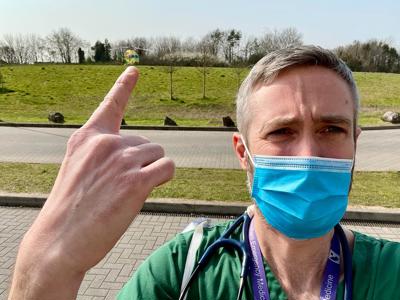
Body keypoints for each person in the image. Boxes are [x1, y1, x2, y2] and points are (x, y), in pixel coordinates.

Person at [8, 46, 400, 300]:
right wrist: (45, 267)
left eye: (332, 129)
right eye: (282, 131)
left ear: (355, 144)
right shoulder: (182, 271)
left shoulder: (391, 273)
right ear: (243, 154)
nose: (309, 154)